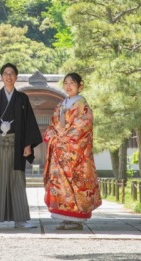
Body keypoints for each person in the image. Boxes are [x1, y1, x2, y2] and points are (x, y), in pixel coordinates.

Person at [0, 63, 43, 229]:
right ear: (1, 77)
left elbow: (28, 124)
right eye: (5, 73)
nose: (9, 76)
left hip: (15, 145)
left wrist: (28, 145)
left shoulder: (22, 99)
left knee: (16, 180)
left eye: (12, 73)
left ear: (16, 77)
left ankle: (20, 219)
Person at [43, 72, 102, 230]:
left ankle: (76, 219)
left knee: (76, 182)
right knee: (60, 184)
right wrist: (55, 137)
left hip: (75, 152)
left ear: (79, 86)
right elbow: (53, 125)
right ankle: (65, 216)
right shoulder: (61, 105)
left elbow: (83, 126)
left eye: (72, 83)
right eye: (66, 83)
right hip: (60, 151)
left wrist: (64, 139)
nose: (68, 86)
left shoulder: (82, 104)